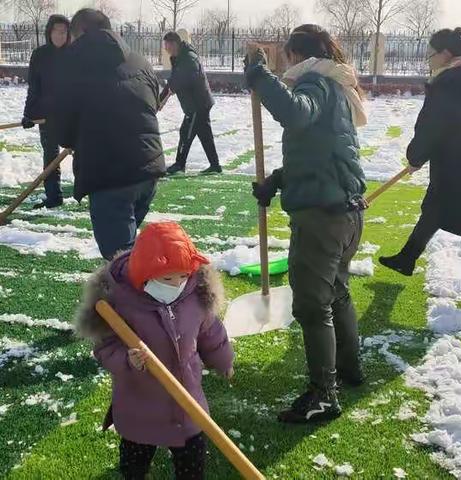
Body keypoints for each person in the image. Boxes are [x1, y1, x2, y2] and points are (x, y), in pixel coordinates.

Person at [245, 24, 367, 424]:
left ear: (297, 54)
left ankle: (323, 394)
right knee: (337, 293)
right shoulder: (336, 88)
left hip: (323, 218)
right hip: (346, 213)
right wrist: (278, 182)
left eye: (285, 56)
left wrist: (259, 76)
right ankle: (350, 367)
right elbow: (319, 154)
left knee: (313, 307)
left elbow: (295, 116)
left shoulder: (315, 83)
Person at [76, 222, 234, 480]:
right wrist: (128, 361)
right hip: (140, 403)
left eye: (183, 276)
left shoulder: (195, 296)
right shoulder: (120, 303)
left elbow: (211, 333)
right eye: (167, 279)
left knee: (192, 463)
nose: (177, 284)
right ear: (144, 276)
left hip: (187, 402)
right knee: (135, 463)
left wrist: (223, 360)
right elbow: (106, 346)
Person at [379, 27, 461, 308]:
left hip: (459, 167)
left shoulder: (448, 83)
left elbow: (431, 126)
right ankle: (406, 258)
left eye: (430, 55)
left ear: (445, 54)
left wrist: (415, 156)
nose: (428, 60)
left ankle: (406, 258)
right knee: (434, 209)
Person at [53, 9, 166, 260]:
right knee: (127, 252)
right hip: (147, 169)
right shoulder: (139, 59)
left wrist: (71, 139)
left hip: (110, 172)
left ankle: (135, 298)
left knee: (120, 260)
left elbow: (63, 120)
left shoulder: (73, 60)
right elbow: (153, 103)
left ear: (79, 32)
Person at [22, 14, 70, 209]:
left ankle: (94, 194)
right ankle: (53, 196)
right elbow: (34, 87)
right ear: (49, 33)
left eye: (65, 31)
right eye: (57, 31)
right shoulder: (40, 55)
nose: (61, 35)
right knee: (50, 155)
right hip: (47, 116)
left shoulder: (75, 54)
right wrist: (29, 114)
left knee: (83, 155)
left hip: (72, 115)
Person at [161, 31, 222, 176]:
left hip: (197, 104)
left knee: (186, 133)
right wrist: (162, 97)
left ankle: (180, 164)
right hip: (198, 103)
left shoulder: (188, 57)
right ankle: (215, 165)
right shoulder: (180, 57)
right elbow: (175, 80)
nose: (166, 48)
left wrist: (166, 94)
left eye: (167, 45)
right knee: (205, 134)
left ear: (174, 44)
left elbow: (181, 79)